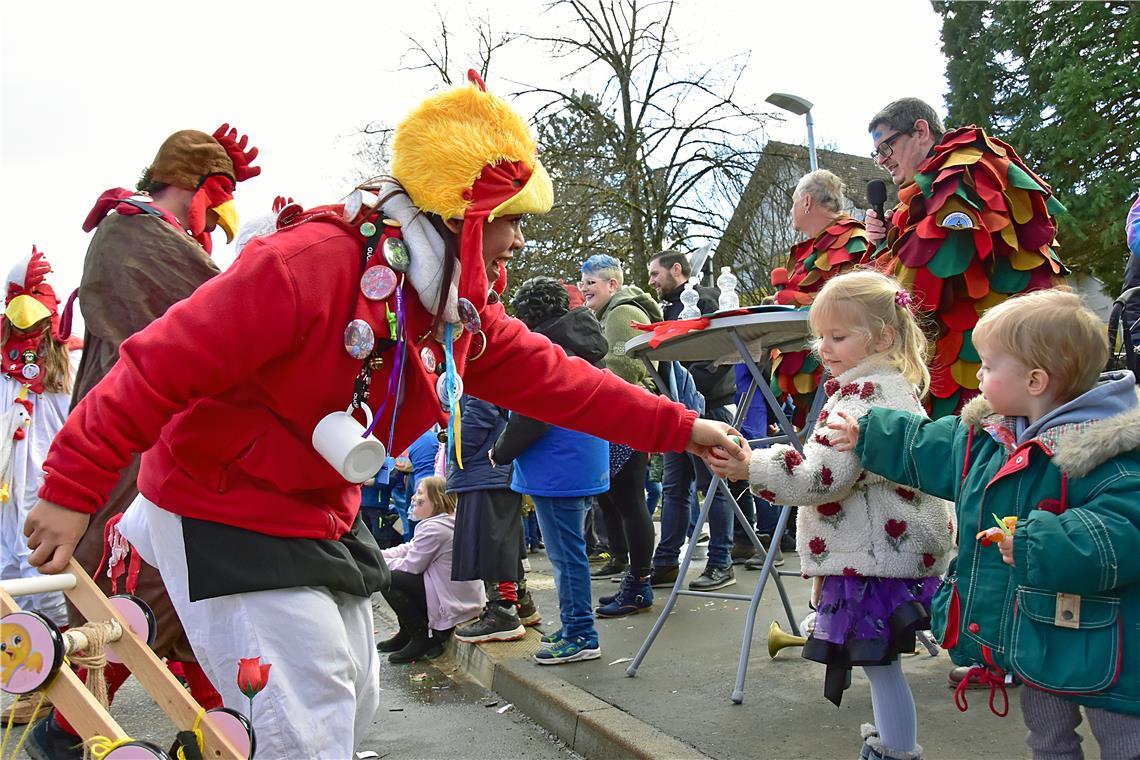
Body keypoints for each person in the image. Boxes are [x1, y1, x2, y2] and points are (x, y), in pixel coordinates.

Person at [23, 73, 741, 759]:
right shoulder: (305, 264)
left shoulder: (449, 305)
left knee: (353, 698)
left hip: (315, 510)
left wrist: (684, 427)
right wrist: (69, 491)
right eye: (512, 222)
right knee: (302, 715)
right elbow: (156, 365)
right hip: (220, 507)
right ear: (463, 213)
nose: (519, 242)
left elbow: (564, 383)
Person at [26, 124, 259, 755]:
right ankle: (67, 729)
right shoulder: (132, 230)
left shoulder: (157, 234)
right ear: (194, 186)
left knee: (177, 590)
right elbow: (216, 308)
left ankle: (222, 730)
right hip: (129, 434)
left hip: (161, 434)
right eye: (221, 189)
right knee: (139, 584)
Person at [829, 288, 1140, 760]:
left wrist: (1037, 543)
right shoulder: (995, 436)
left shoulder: (1107, 451)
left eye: (990, 366)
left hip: (1108, 645)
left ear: (1035, 380)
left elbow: (1124, 530)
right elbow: (930, 446)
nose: (978, 374)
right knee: (1048, 738)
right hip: (1036, 636)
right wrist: (869, 432)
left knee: (1124, 741)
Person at [709, 271, 954, 760]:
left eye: (838, 337)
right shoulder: (887, 386)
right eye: (820, 336)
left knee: (882, 668)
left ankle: (897, 749)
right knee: (882, 668)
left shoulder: (863, 397)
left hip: (875, 556)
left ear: (882, 337)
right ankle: (891, 740)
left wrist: (749, 464)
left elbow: (823, 477)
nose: (824, 347)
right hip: (886, 548)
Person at [863, 98, 1067, 419]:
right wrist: (886, 241)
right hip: (973, 360)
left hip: (1009, 358)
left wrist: (887, 264)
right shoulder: (924, 193)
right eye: (878, 154)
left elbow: (938, 263)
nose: (882, 161)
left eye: (887, 147)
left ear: (920, 131)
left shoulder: (963, 167)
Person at [491, 276, 610, 664]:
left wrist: (501, 451)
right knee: (569, 551)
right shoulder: (582, 339)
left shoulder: (543, 349)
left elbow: (531, 415)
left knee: (566, 556)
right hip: (579, 457)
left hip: (555, 465)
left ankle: (581, 633)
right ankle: (576, 623)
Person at [0, 248, 80, 726]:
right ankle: (29, 681)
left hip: (52, 499)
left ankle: (52, 688)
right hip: (7, 501)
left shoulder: (68, 371)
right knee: (10, 582)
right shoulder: (3, 378)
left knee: (47, 586)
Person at [646, 250, 738, 591]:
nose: (652, 281)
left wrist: (693, 389)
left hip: (709, 407)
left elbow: (723, 349)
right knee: (674, 489)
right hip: (677, 411)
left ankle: (720, 561)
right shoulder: (663, 309)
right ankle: (667, 561)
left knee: (712, 485)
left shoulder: (707, 299)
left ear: (676, 269)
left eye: (656, 274)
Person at [579, 254, 661, 616]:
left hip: (626, 417)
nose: (583, 288)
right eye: (582, 281)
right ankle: (634, 578)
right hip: (620, 418)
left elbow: (624, 369)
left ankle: (639, 584)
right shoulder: (609, 313)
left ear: (611, 284)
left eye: (591, 282)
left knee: (630, 501)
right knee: (620, 501)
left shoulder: (621, 313)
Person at [770, 169, 869, 427]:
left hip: (836, 370)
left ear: (806, 202)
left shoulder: (851, 239)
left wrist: (795, 299)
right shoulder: (808, 249)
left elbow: (849, 303)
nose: (791, 210)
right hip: (810, 369)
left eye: (793, 202)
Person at [447, 394, 538, 645]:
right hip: (496, 469)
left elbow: (478, 416)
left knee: (491, 541)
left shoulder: (476, 374)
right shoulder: (493, 372)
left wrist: (455, 448)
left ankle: (503, 612)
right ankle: (521, 603)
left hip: (483, 470)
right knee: (503, 539)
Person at [377, 476, 484, 664]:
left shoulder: (435, 528)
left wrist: (377, 564)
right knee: (392, 575)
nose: (413, 498)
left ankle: (422, 637)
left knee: (389, 578)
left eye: (419, 493)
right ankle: (408, 632)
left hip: (452, 600)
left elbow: (412, 566)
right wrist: (378, 555)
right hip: (459, 595)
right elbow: (410, 547)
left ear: (436, 500)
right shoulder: (443, 521)